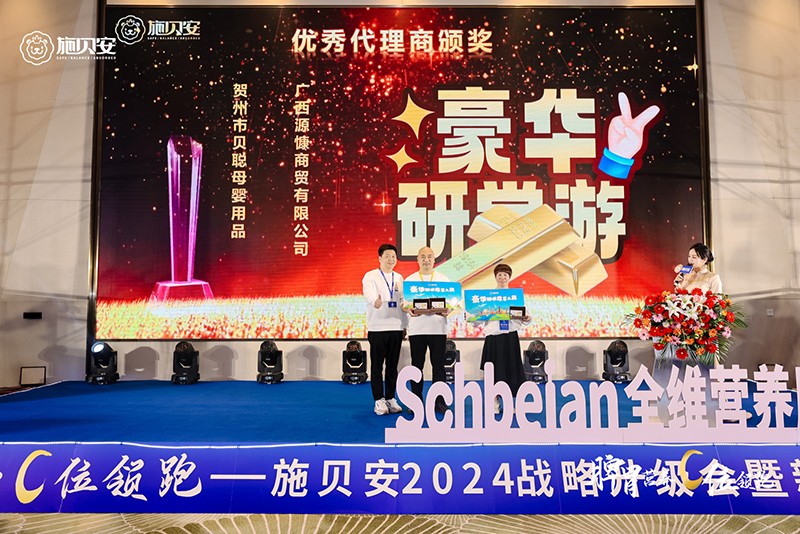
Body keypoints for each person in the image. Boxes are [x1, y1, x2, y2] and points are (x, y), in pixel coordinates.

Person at [478, 263, 530, 414]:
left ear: (509, 277)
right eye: (499, 275)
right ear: (495, 277)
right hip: (493, 338)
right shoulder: (487, 297)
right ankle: (494, 402)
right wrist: (471, 316)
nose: (502, 278)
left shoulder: (515, 296)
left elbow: (526, 315)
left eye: (505, 275)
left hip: (510, 338)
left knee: (511, 371)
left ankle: (509, 403)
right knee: (493, 372)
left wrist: (527, 317)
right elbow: (477, 320)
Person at [403, 246, 450, 414]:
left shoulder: (443, 279)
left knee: (439, 366)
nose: (426, 259)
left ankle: (440, 401)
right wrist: (407, 308)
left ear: (434, 259)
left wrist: (449, 310)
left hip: (438, 329)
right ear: (417, 259)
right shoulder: (410, 280)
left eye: (429, 256)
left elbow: (452, 303)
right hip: (417, 330)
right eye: (423, 256)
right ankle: (415, 401)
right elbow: (404, 304)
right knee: (417, 366)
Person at [362, 243, 408, 416]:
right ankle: (378, 399)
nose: (391, 259)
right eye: (387, 256)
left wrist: (405, 325)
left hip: (396, 327)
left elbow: (403, 300)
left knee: (392, 365)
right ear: (380, 258)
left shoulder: (399, 277)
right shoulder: (370, 276)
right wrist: (375, 301)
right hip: (378, 327)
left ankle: (390, 397)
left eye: (393, 256)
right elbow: (369, 294)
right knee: (377, 365)